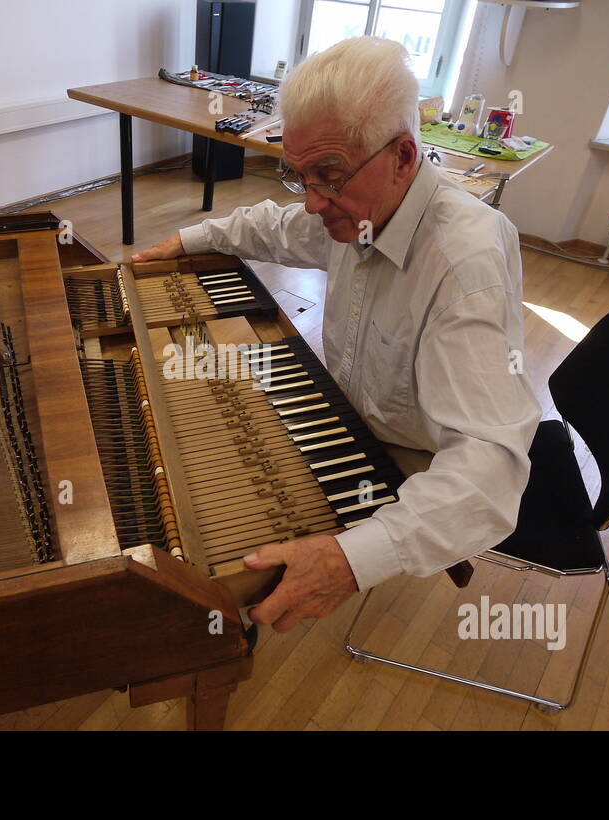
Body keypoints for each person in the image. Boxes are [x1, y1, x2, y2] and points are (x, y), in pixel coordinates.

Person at [132, 37, 541, 634]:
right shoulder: (358, 202)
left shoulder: (464, 264)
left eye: (328, 176)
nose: (315, 201)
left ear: (404, 156)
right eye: (300, 176)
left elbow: (491, 470)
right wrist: (190, 240)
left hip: (407, 455)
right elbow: (276, 226)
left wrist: (348, 560)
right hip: (346, 414)